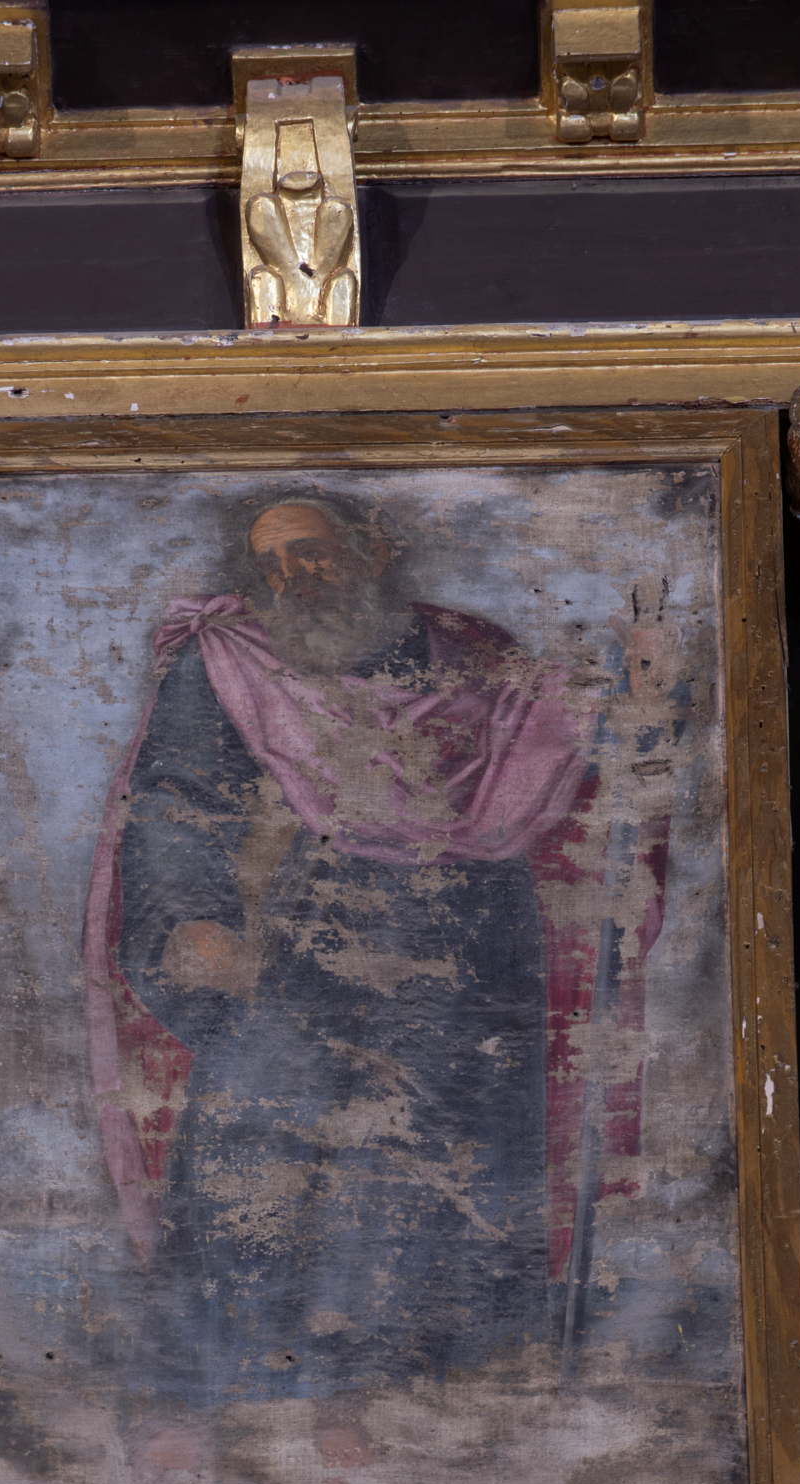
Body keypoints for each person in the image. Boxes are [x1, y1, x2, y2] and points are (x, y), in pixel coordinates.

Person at [83, 494, 588, 1402]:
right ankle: (208, 1387)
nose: (291, 578)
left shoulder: (477, 652)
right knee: (254, 1140)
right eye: (270, 566)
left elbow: (559, 769)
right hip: (302, 930)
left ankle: (382, 1392)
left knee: (433, 1162)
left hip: (471, 937)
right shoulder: (232, 658)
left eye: (309, 553)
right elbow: (176, 800)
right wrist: (194, 915)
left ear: (373, 549)